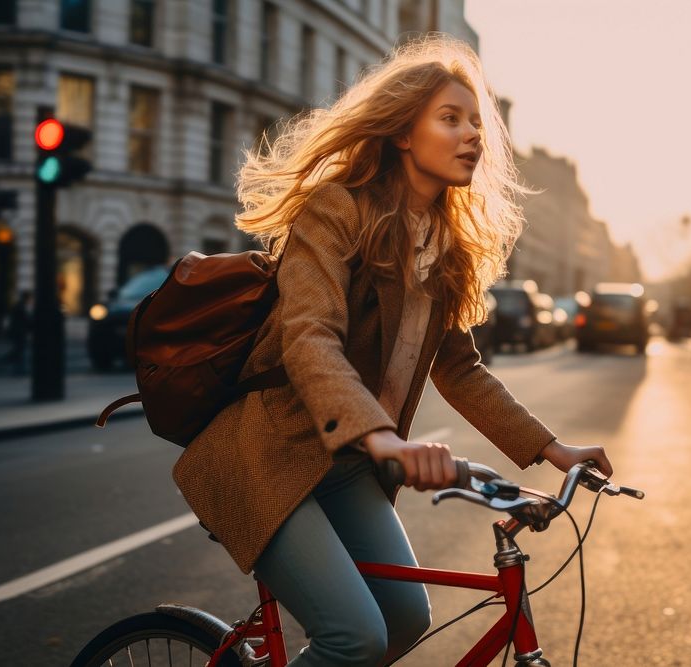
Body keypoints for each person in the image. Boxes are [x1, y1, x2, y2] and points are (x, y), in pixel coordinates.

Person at [172, 34, 613, 666]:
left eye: (475, 123)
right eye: (450, 119)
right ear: (403, 133)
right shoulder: (336, 211)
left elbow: (460, 370)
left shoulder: (446, 249)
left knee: (405, 620)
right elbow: (309, 337)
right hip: (267, 454)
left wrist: (551, 449)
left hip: (347, 465)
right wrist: (384, 437)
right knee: (355, 636)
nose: (473, 135)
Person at [1, 291, 32, 375]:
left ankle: (18, 368)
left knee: (19, 350)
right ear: (26, 298)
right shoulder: (20, 307)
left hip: (18, 332)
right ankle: (14, 366)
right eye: (29, 298)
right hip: (19, 332)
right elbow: (25, 321)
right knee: (19, 351)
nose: (30, 300)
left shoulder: (19, 306)